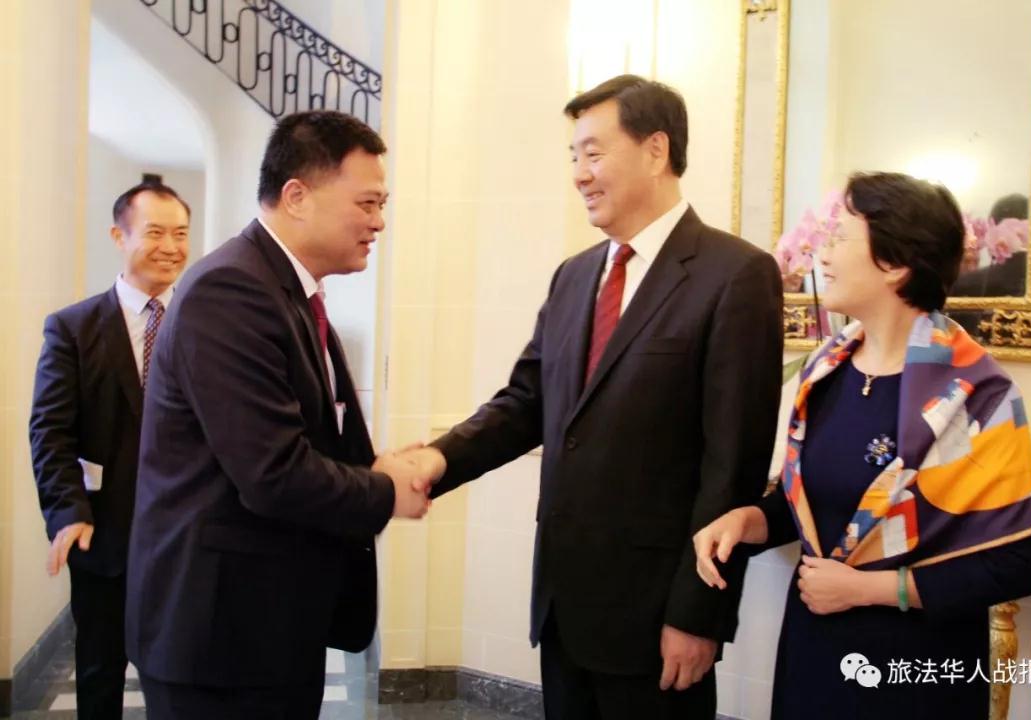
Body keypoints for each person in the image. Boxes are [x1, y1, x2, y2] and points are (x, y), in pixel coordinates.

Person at [398, 75, 783, 719]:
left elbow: (732, 463)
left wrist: (699, 614)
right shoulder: (575, 276)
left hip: (655, 615)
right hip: (565, 604)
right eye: (573, 156)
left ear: (656, 150)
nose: (579, 174)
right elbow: (525, 403)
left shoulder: (734, 275)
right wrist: (437, 461)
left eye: (594, 153)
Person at [693, 172, 1031, 719]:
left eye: (839, 237)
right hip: (815, 654)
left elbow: (1014, 564)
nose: (823, 253)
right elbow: (811, 507)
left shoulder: (973, 394)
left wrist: (867, 590)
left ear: (895, 263)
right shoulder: (826, 371)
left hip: (917, 672)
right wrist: (747, 521)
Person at [124, 111, 435, 720]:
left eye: (382, 204)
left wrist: (376, 465)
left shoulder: (288, 290)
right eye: (367, 202)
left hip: (268, 624)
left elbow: (313, 433)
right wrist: (385, 491)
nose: (379, 221)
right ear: (297, 196)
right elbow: (272, 472)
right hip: (220, 639)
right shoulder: (231, 291)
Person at [29, 181, 191, 720]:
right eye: (155, 232)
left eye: (181, 234)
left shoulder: (204, 324)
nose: (171, 246)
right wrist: (67, 511)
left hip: (187, 541)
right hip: (105, 535)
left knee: (185, 675)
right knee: (100, 674)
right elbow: (50, 431)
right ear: (118, 236)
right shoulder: (73, 328)